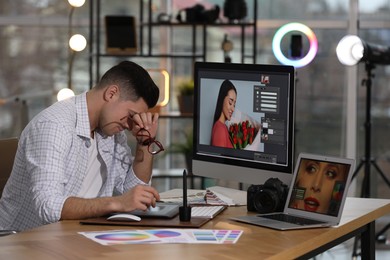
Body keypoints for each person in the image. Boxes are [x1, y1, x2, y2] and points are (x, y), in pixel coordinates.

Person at [0, 61, 163, 232]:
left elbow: (132, 193)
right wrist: (116, 203)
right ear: (111, 93)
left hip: (77, 236)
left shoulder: (112, 133)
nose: (131, 125)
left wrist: (145, 142)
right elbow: (48, 207)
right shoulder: (54, 125)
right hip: (24, 243)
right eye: (131, 115)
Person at [211, 79, 237, 148]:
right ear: (222, 99)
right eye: (230, 102)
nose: (233, 109)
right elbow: (220, 159)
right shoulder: (220, 129)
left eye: (234, 104)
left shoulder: (223, 126)